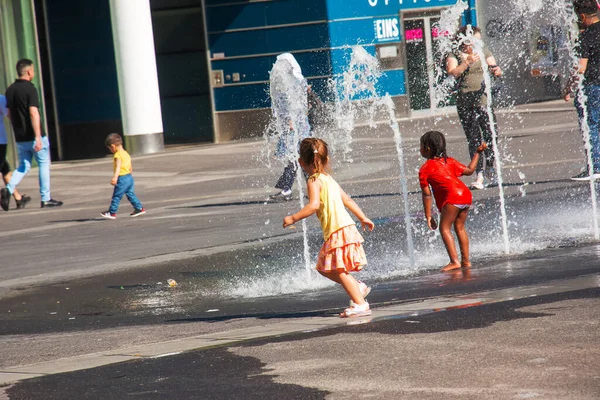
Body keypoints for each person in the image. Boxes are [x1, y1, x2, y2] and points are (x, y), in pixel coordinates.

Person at [283, 138, 374, 318]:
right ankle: (357, 286)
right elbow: (346, 199)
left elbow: (314, 205)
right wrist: (362, 217)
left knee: (338, 270)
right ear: (326, 160)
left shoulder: (314, 180)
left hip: (337, 230)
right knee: (324, 267)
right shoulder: (328, 178)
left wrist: (293, 217)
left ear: (301, 162)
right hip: (345, 227)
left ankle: (360, 304)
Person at [418, 131, 487, 272]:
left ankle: (454, 261)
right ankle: (466, 261)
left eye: (421, 146)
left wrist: (428, 216)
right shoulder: (449, 161)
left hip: (453, 198)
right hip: (465, 195)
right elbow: (469, 170)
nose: (420, 149)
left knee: (444, 228)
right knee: (460, 227)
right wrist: (477, 153)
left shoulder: (425, 169)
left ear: (427, 149)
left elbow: (426, 195)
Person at [0, 59, 62, 211]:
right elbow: (33, 112)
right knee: (43, 164)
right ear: (29, 72)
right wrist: (38, 136)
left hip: (20, 137)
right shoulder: (30, 89)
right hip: (34, 136)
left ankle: (8, 189)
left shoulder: (10, 90)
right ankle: (45, 198)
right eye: (32, 70)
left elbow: (9, 114)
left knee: (23, 166)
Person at [446, 26, 502, 190]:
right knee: (474, 138)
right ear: (465, 39)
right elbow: (453, 72)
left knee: (491, 134)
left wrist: (497, 71)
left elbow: (495, 67)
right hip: (465, 101)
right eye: (474, 39)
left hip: (483, 99)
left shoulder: (483, 50)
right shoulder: (455, 53)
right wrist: (467, 62)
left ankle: (490, 164)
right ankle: (479, 174)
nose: (477, 42)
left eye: (479, 39)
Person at [564, 1, 600, 181]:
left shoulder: (586, 37)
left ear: (583, 16)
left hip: (593, 87)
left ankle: (595, 166)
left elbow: (581, 69)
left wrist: (568, 87)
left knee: (590, 125)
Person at [269, 53, 312, 202]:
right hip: (297, 127)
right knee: (300, 159)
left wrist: (291, 122)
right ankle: (313, 188)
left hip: (295, 128)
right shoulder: (296, 81)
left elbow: (294, 106)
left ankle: (287, 190)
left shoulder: (294, 81)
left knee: (295, 159)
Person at [100, 133, 145, 220]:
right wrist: (130, 174)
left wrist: (115, 177)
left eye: (109, 148)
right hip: (129, 177)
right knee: (130, 193)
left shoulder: (118, 155)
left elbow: (118, 167)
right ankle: (139, 208)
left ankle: (112, 212)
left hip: (122, 178)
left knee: (116, 196)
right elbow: (130, 166)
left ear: (113, 146)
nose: (110, 150)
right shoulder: (126, 153)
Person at [0, 94, 30, 210]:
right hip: (0, 141)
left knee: (5, 168)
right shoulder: (1, 99)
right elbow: (10, 116)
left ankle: (18, 198)